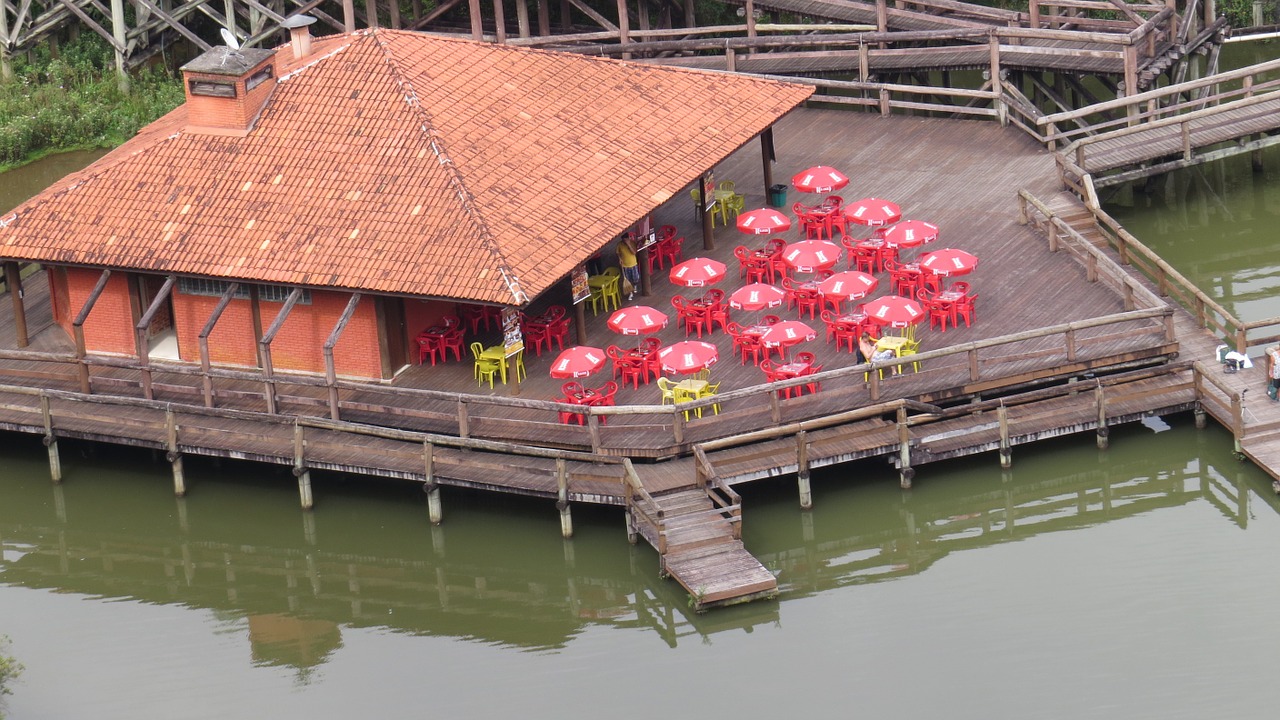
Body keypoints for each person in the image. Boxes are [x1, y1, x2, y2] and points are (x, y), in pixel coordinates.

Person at [616, 234, 640, 301]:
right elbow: (618, 252)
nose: (624, 241)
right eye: (623, 240)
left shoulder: (632, 243)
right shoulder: (619, 245)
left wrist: (628, 244)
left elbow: (634, 252)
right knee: (628, 279)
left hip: (633, 263)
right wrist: (620, 258)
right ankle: (630, 293)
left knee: (636, 277)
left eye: (626, 239)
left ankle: (635, 285)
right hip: (625, 265)